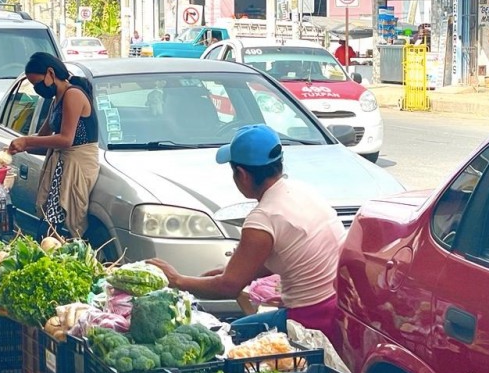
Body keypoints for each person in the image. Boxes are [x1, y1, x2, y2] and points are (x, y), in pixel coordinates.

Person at [148, 124, 346, 342]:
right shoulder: (302, 191)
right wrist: (230, 271)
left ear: (241, 174)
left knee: (229, 336)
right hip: (339, 305)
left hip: (309, 319)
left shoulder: (264, 217)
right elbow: (278, 257)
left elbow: (229, 287)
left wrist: (177, 280)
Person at [8, 52, 99, 238]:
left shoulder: (73, 94)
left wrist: (27, 141)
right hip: (60, 163)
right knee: (50, 224)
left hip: (76, 165)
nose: (37, 89)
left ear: (50, 73)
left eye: (38, 84)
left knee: (60, 226)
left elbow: (66, 139)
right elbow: (43, 138)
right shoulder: (56, 100)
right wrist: (19, 147)